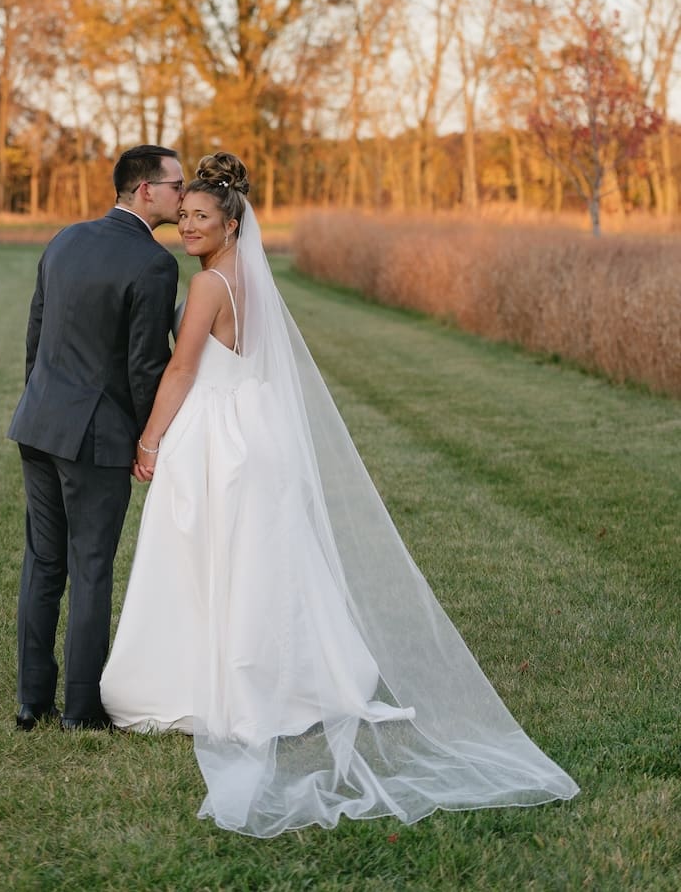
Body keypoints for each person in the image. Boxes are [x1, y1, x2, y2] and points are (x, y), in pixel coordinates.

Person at [101, 153, 579, 836]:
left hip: (217, 435)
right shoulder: (253, 280)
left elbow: (181, 370)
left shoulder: (208, 285)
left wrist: (149, 441)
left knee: (206, 552)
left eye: (201, 217)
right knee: (260, 556)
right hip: (257, 429)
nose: (188, 227)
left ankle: (209, 683)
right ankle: (290, 678)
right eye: (184, 217)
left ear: (232, 225)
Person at [8, 144, 183, 731]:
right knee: (90, 568)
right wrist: (150, 438)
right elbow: (145, 368)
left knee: (43, 562)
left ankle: (32, 699)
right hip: (96, 438)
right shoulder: (154, 264)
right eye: (176, 185)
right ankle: (81, 711)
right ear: (145, 191)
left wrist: (38, 404)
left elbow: (36, 334)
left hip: (39, 422)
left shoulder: (65, 240)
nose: (183, 195)